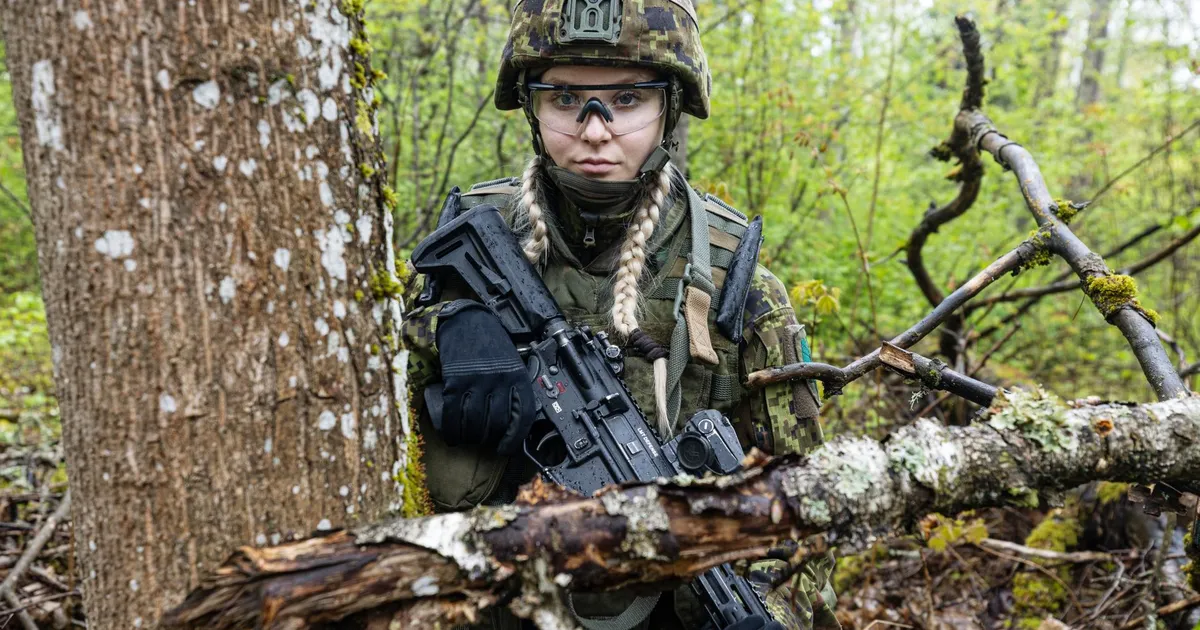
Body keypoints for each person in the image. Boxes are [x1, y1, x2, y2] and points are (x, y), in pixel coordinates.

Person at [401, 1, 839, 629]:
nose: (595, 130)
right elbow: (354, 378)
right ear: (530, 107)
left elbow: (806, 509)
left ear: (671, 107)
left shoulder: (734, 288)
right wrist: (445, 328)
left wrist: (771, 609)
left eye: (627, 99)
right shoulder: (469, 244)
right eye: (564, 99)